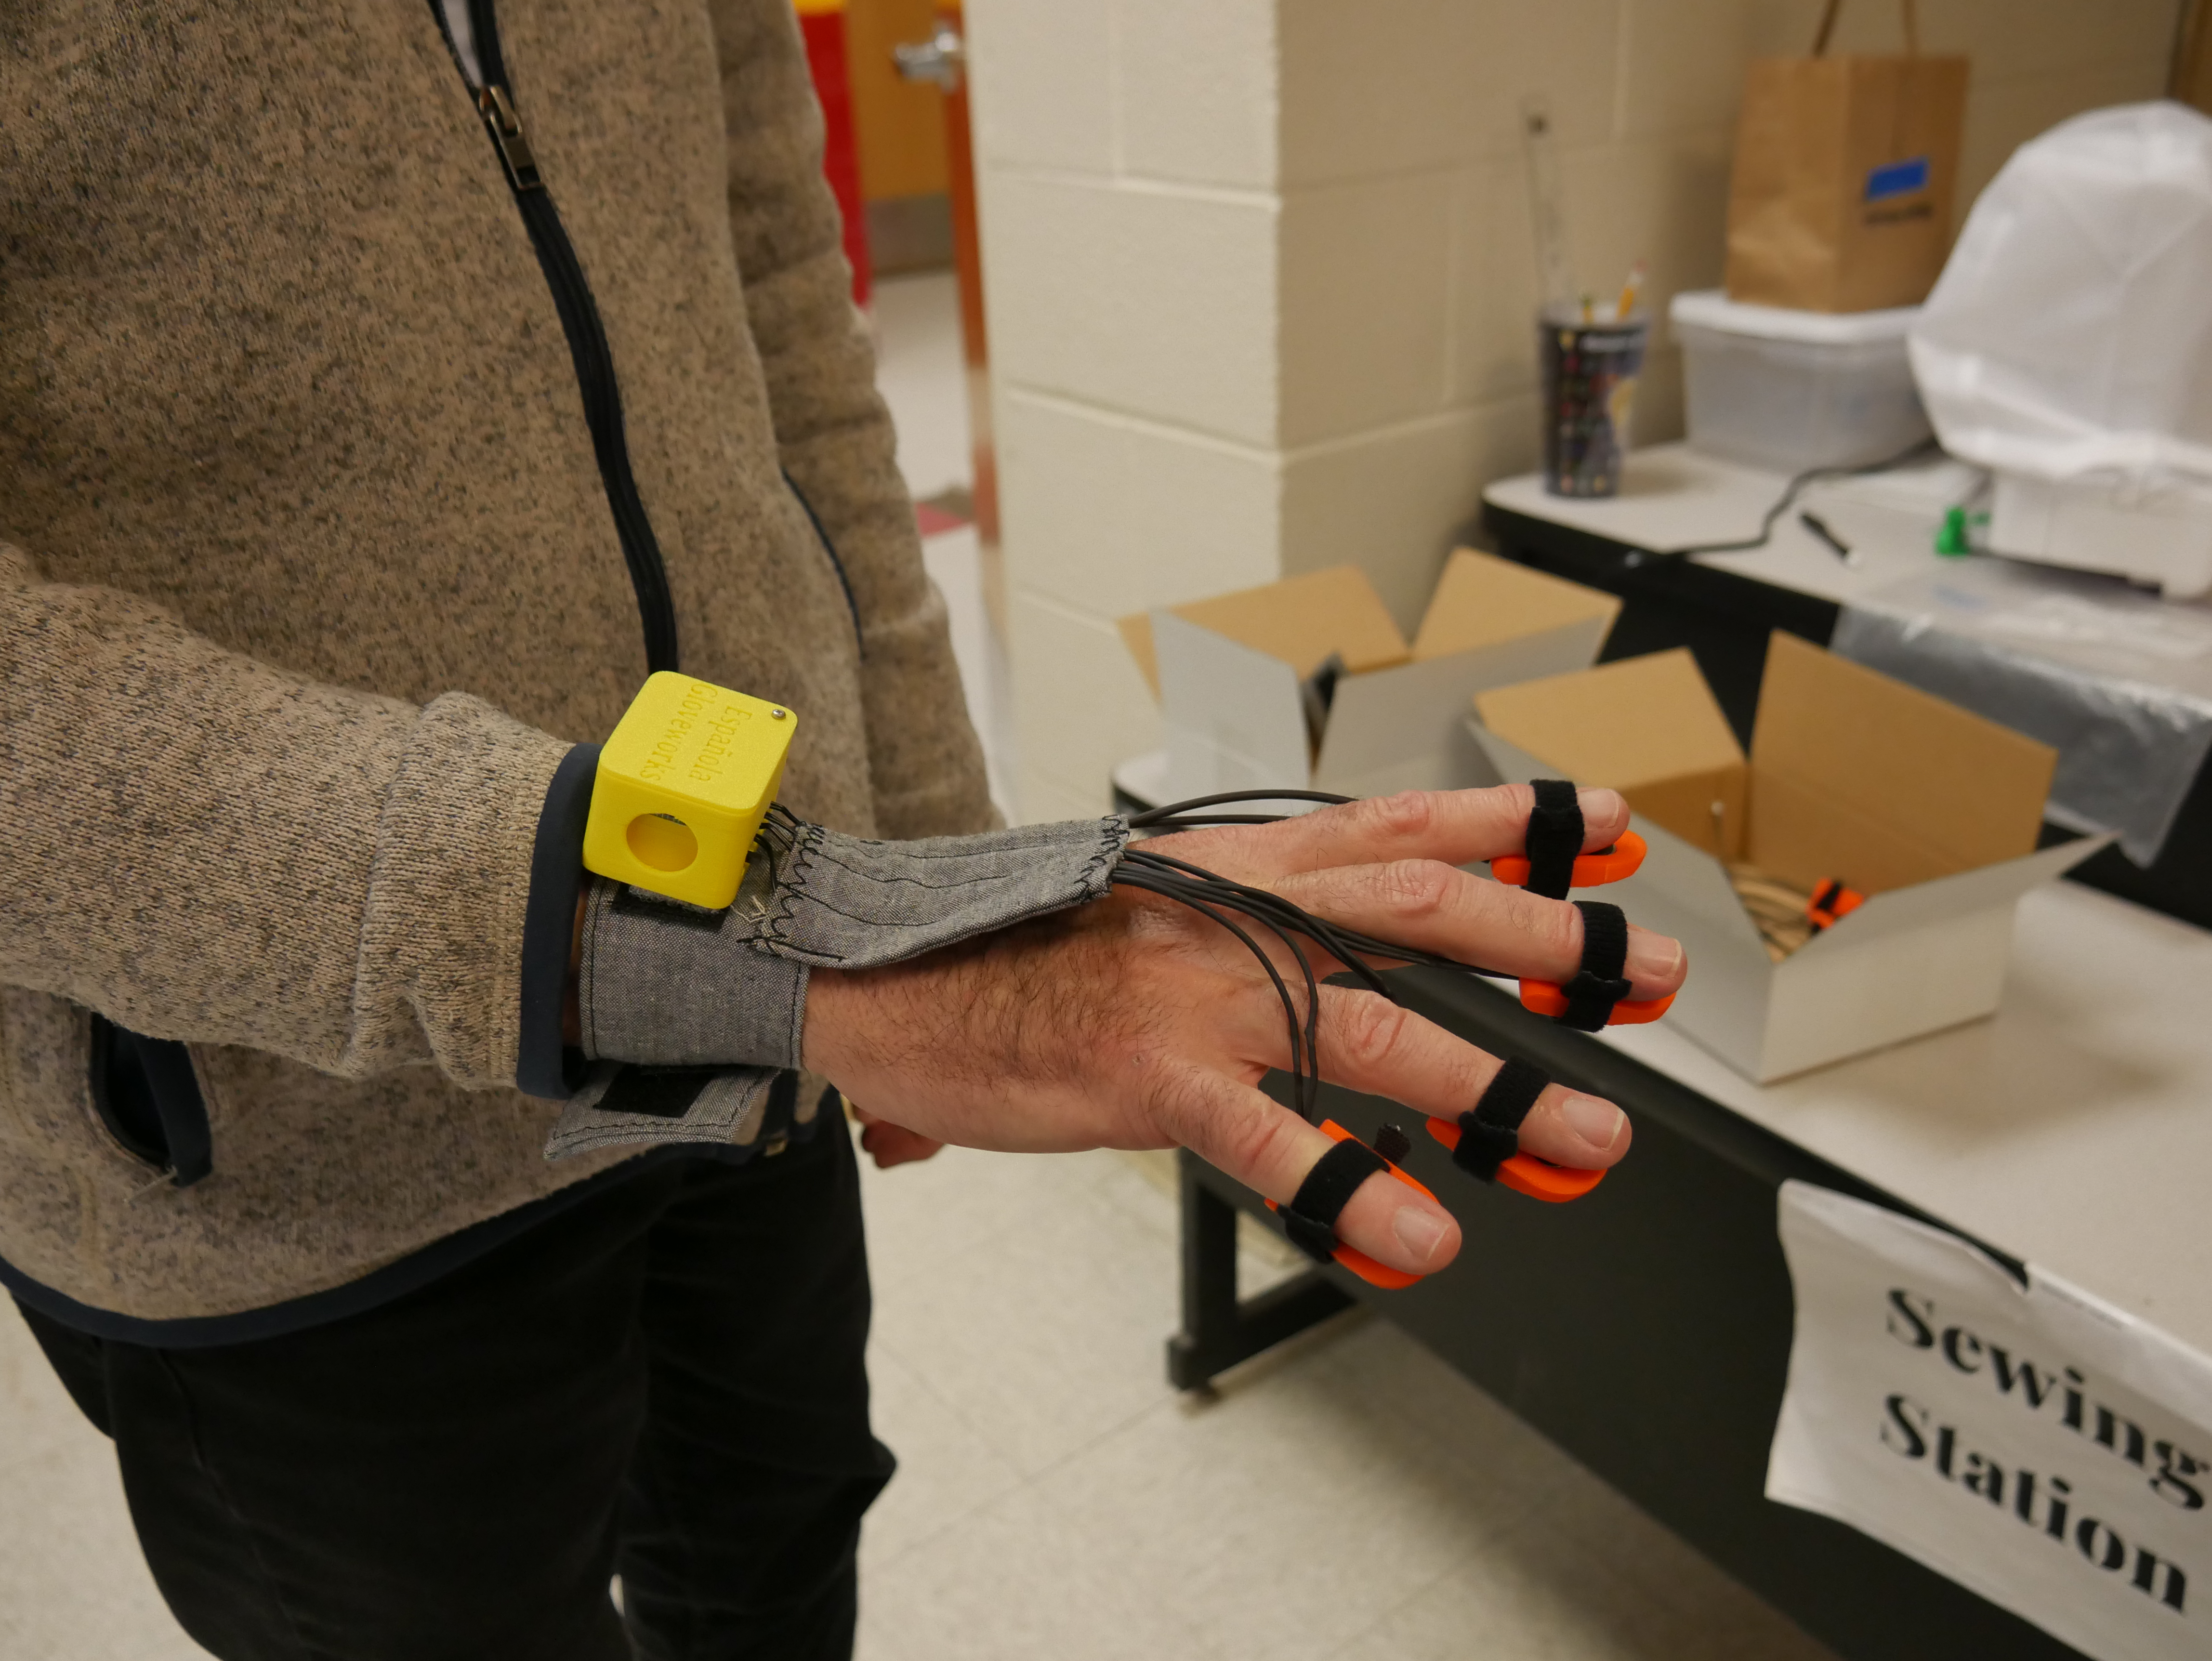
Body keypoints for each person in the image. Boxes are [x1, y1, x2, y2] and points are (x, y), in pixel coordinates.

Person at [0, 4, 1685, 1658]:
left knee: (778, 1548)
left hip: (767, 1016)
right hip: (287, 1146)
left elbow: (793, 339)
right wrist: (709, 951)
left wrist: (940, 881)